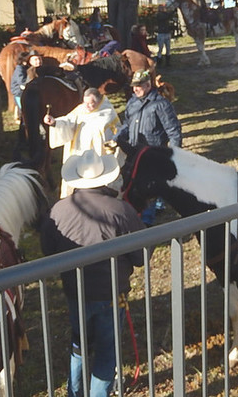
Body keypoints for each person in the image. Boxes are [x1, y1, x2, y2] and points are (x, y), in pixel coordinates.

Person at [40, 149, 146, 397]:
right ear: (106, 178)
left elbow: (48, 252)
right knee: (107, 351)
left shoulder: (57, 211)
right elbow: (141, 256)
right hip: (111, 294)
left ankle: (74, 392)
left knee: (79, 344)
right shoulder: (121, 210)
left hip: (74, 292)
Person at [115, 69, 182, 225]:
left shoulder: (161, 104)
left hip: (153, 152)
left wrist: (175, 154)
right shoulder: (132, 102)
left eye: (138, 86)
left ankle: (148, 220)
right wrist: (117, 137)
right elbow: (127, 124)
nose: (135, 89)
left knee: (152, 185)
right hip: (134, 152)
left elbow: (173, 131)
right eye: (133, 86)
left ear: (148, 85)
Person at [43, 88, 121, 197]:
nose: (87, 106)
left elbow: (115, 133)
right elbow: (69, 121)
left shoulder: (108, 113)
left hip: (97, 155)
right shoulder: (81, 109)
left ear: (99, 101)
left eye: (91, 104)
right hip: (79, 152)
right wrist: (55, 122)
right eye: (85, 103)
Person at [10, 52, 42, 121]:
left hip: (25, 92)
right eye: (36, 60)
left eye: (39, 59)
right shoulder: (20, 69)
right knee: (25, 111)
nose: (38, 61)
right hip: (19, 93)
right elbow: (22, 82)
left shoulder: (28, 68)